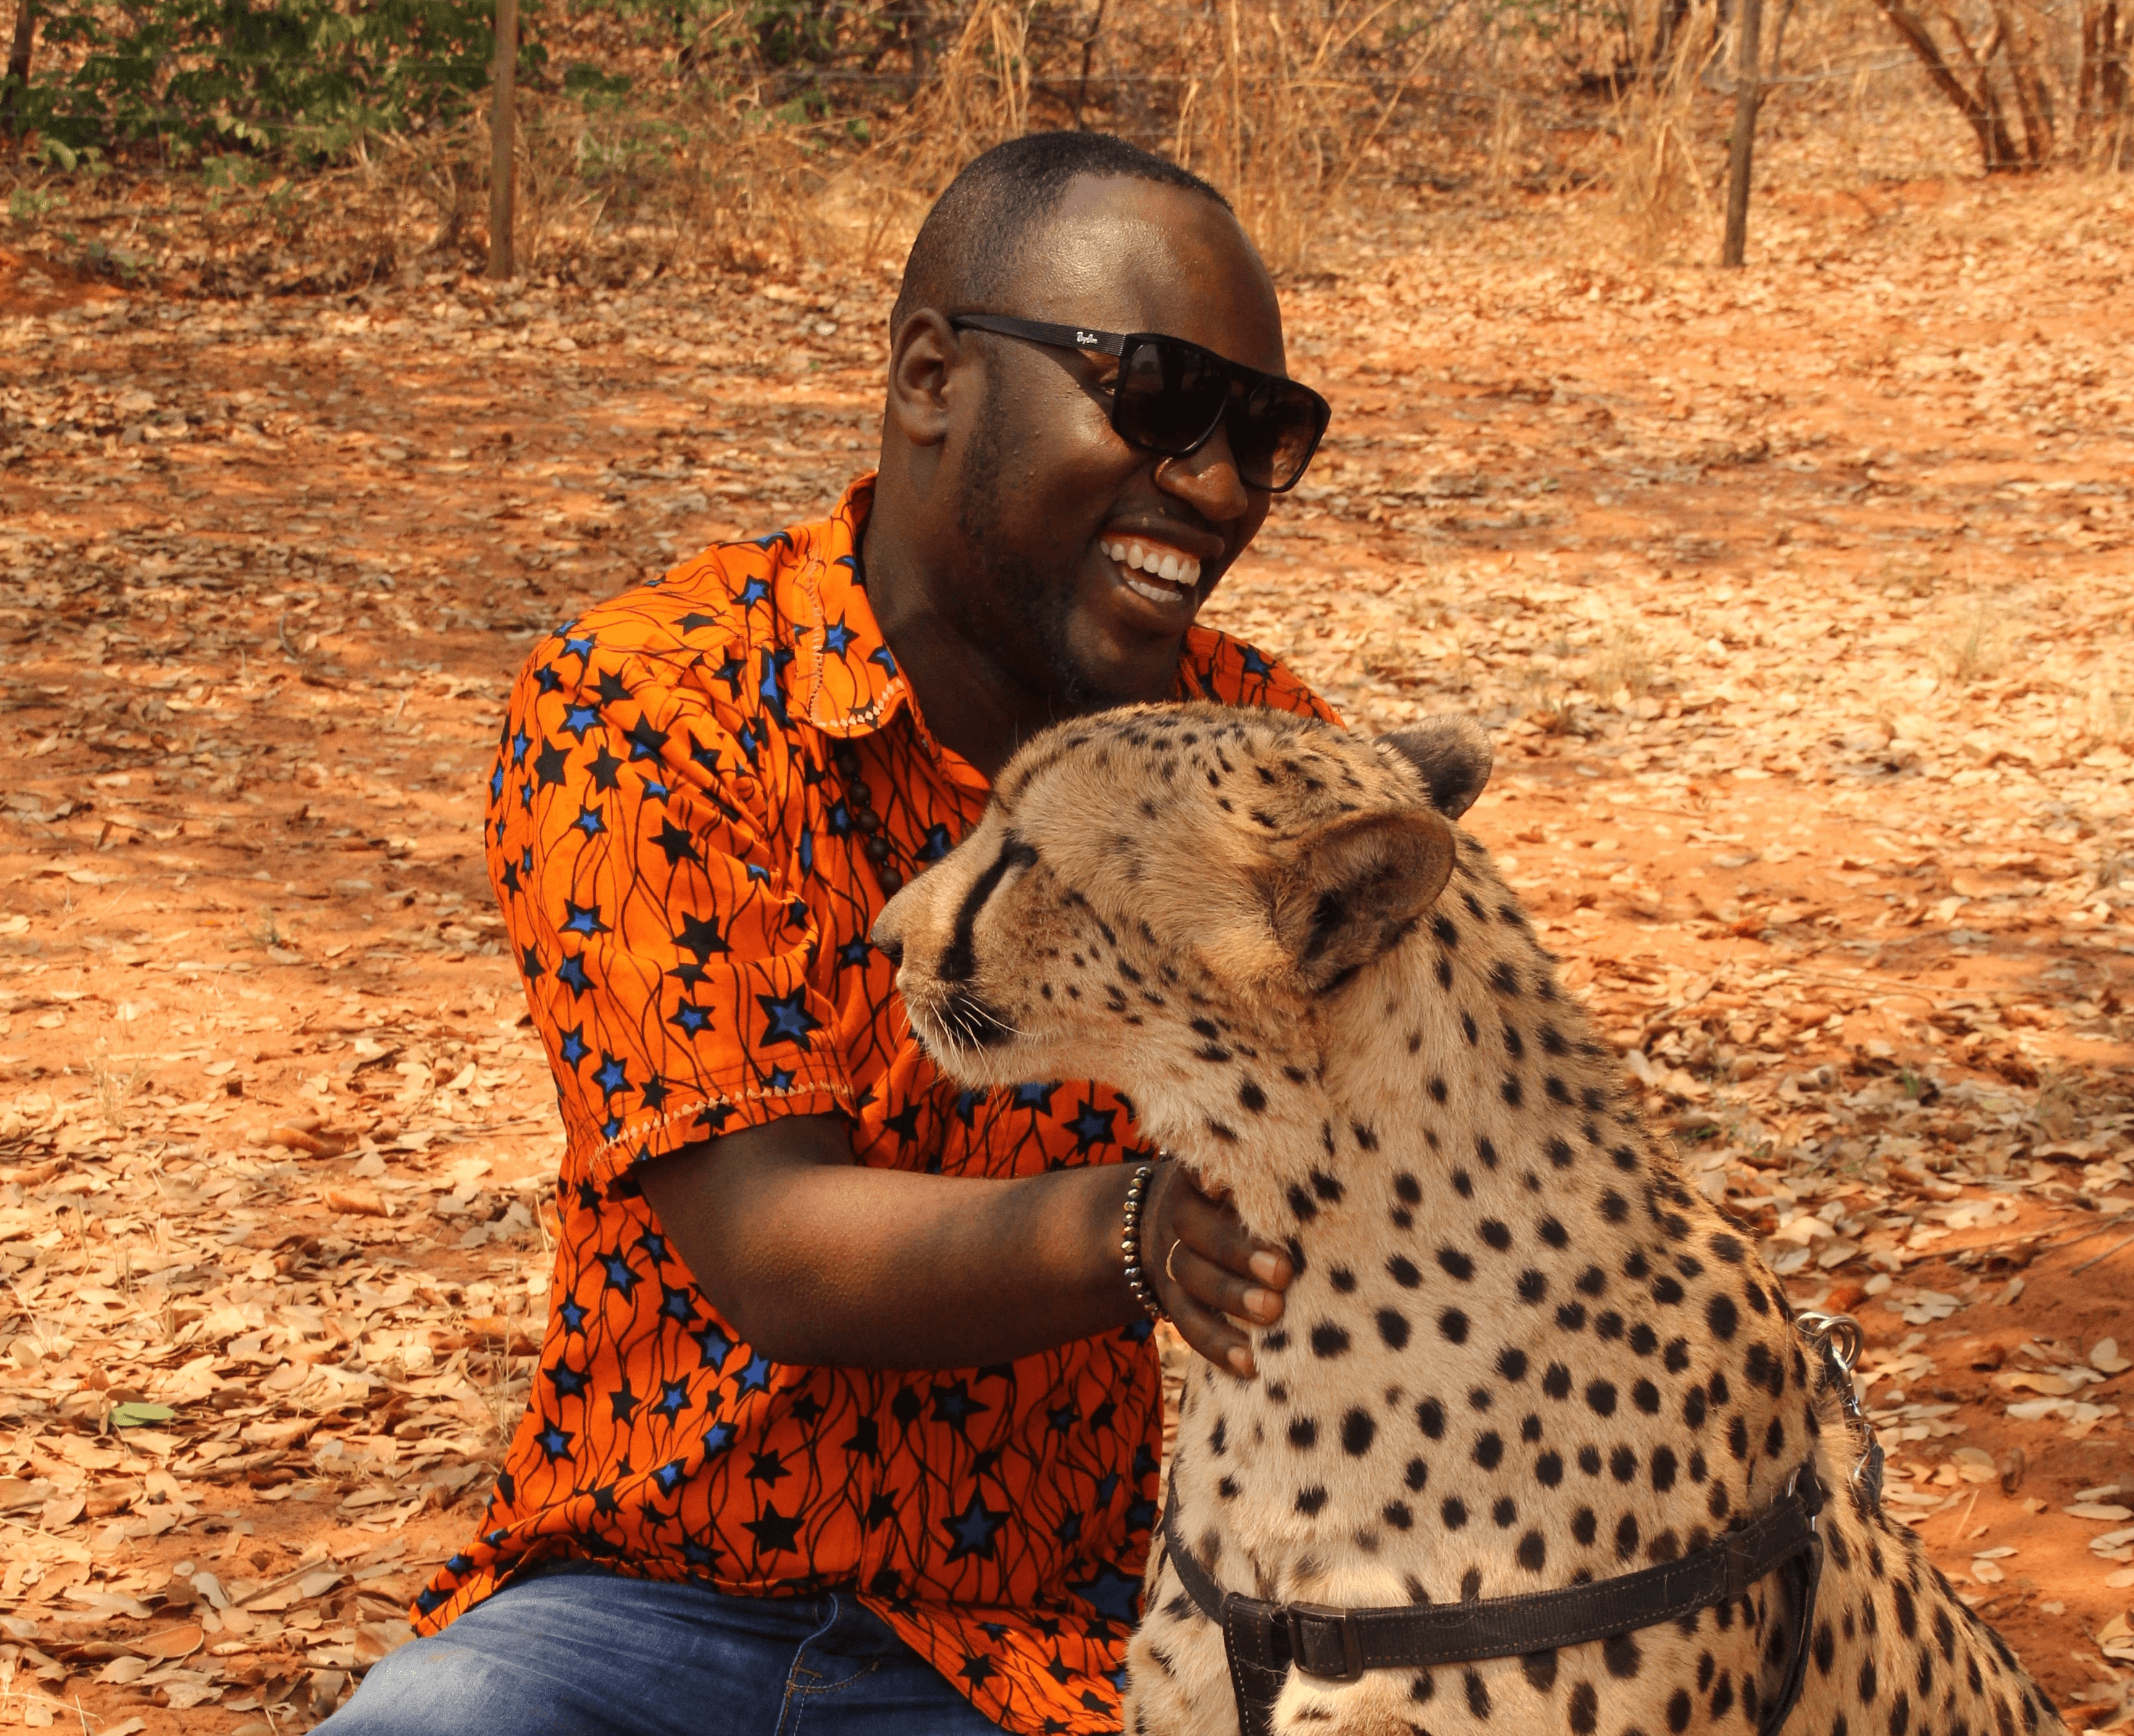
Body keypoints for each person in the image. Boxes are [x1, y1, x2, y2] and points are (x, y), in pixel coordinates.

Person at [324, 130, 1339, 1736]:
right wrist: (1140, 1230)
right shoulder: (658, 703)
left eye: (1263, 433)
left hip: (1049, 1648)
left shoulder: (1267, 767)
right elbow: (772, 1243)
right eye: (1151, 396)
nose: (1213, 486)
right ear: (932, 374)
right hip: (636, 1607)